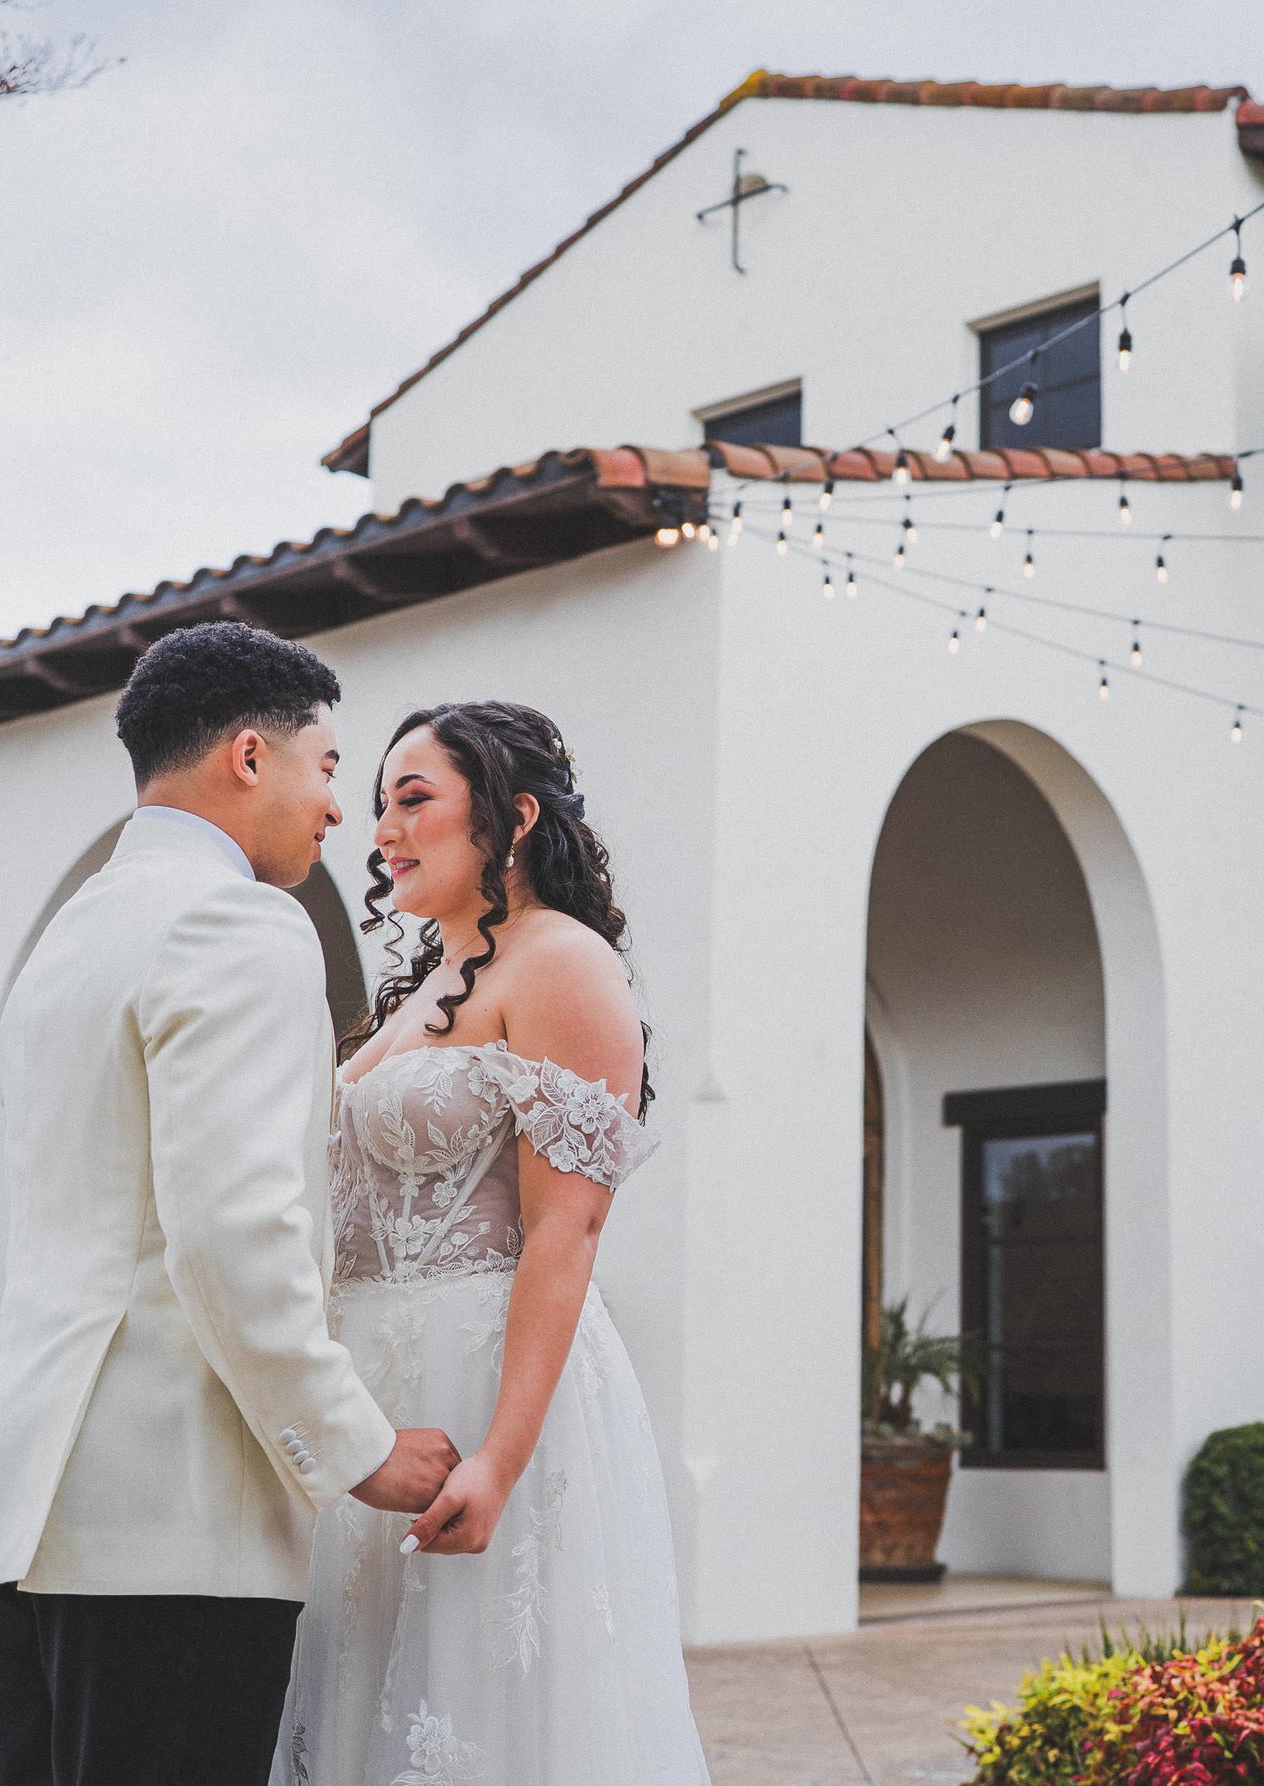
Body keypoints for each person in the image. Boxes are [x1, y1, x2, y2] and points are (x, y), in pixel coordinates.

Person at [0, 622, 461, 1786]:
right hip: (165, 1519)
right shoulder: (240, 923)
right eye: (325, 769)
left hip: (26, 1502)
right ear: (249, 757)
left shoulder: (78, 928)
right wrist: (357, 1445)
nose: (337, 812)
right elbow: (233, 1232)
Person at [274, 701, 708, 1785]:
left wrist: (503, 1458)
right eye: (378, 805)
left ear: (512, 816)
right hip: (375, 1401)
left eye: (413, 799)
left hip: (487, 1392)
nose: (382, 828)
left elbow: (569, 1224)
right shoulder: (415, 992)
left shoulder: (563, 963)